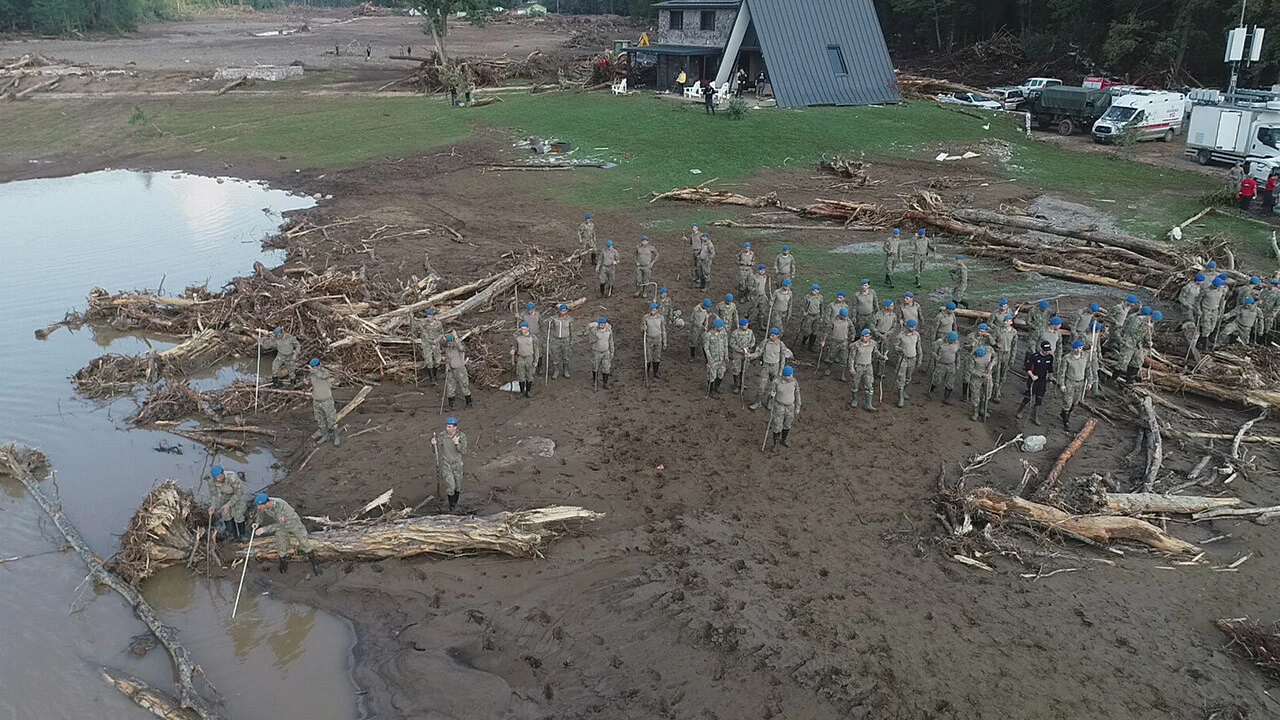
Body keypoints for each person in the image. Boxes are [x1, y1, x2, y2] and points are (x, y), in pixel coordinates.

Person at [252, 493, 320, 576]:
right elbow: (260, 513)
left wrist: (264, 529)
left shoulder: (281, 506)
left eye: (259, 506)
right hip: (281, 525)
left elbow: (280, 524)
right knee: (280, 543)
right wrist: (257, 522)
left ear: (266, 503)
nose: (258, 508)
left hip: (292, 523)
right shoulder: (263, 505)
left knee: (304, 543)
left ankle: (315, 564)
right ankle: (283, 562)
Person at [748, 327, 792, 410]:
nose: (771, 337)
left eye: (773, 335)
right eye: (770, 335)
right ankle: (758, 402)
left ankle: (770, 401)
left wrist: (781, 370)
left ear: (777, 336)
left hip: (775, 367)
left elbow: (783, 358)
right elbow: (759, 352)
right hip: (766, 366)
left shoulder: (781, 345)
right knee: (761, 385)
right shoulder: (765, 342)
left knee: (773, 386)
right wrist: (751, 356)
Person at [431, 417, 468, 510]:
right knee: (451, 486)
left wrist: (456, 443)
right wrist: (433, 444)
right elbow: (435, 450)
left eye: (449, 427)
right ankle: (451, 506)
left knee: (458, 486)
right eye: (447, 426)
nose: (447, 428)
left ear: (455, 427)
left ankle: (455, 503)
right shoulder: (443, 435)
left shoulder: (461, 436)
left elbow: (464, 451)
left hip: (458, 464)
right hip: (447, 464)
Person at [1015, 340, 1055, 426]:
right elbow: (1028, 368)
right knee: (1029, 396)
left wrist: (1050, 380)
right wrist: (1032, 376)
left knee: (1039, 398)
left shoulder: (1050, 357)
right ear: (1041, 349)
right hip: (1033, 379)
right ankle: (1019, 410)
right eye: (1045, 350)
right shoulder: (1034, 356)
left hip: (1043, 380)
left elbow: (1050, 369)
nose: (1046, 352)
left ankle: (1035, 416)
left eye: (1047, 350)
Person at [208, 465, 248, 543]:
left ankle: (242, 535)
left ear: (223, 473)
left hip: (236, 496)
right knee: (226, 515)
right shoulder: (211, 480)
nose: (219, 480)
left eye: (220, 477)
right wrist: (213, 506)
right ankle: (232, 535)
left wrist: (229, 504)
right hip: (224, 496)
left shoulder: (232, 477)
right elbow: (214, 494)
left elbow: (239, 493)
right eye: (217, 478)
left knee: (238, 515)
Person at [305, 358, 339, 446]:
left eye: (315, 367)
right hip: (316, 401)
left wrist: (314, 371)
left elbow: (323, 376)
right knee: (320, 420)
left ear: (319, 365)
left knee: (332, 419)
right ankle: (325, 435)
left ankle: (336, 437)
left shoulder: (325, 372)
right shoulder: (312, 374)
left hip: (327, 400)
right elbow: (310, 384)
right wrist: (306, 382)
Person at [849, 329, 884, 411]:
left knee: (869, 385)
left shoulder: (873, 343)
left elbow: (875, 352)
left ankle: (869, 404)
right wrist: (851, 368)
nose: (864, 338)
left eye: (866, 336)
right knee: (855, 384)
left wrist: (882, 357)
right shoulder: (856, 345)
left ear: (870, 337)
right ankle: (854, 400)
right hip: (858, 366)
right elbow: (851, 358)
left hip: (868, 366)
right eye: (862, 336)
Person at [767, 366, 801, 452]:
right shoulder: (777, 382)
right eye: (788, 376)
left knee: (787, 424)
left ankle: (784, 439)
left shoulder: (794, 382)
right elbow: (771, 391)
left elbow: (797, 394)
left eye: (791, 375)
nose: (790, 378)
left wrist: (798, 406)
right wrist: (772, 394)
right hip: (779, 407)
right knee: (777, 425)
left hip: (790, 407)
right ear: (784, 376)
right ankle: (776, 444)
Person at [1059, 340, 1089, 431]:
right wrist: (1062, 384)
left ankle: (1064, 413)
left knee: (1075, 402)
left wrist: (1090, 382)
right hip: (1070, 381)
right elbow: (1062, 372)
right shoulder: (1067, 358)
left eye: (1080, 348)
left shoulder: (1085, 357)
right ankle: (1066, 422)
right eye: (1076, 348)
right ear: (1073, 349)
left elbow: (1088, 369)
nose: (1078, 350)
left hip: (1080, 382)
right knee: (1067, 402)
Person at [894, 319, 921, 407]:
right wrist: (901, 350)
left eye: (914, 327)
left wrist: (920, 359)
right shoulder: (901, 336)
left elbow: (918, 347)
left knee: (908, 377)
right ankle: (901, 398)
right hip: (903, 359)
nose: (913, 328)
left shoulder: (916, 335)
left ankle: (904, 391)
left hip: (912, 358)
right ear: (907, 326)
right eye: (911, 327)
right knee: (901, 377)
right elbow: (895, 346)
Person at [992, 314, 1018, 403]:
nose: (1006, 323)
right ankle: (995, 393)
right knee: (996, 373)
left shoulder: (1014, 332)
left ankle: (999, 388)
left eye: (1008, 321)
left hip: (1007, 354)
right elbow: (993, 341)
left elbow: (1014, 346)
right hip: (998, 353)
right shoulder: (998, 330)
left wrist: (1013, 357)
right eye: (1005, 321)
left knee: (1003, 373)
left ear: (1011, 322)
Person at [442, 333, 473, 410]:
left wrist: (456, 337)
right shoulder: (448, 350)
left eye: (450, 343)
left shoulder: (459, 349)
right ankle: (451, 405)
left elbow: (462, 348)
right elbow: (447, 360)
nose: (449, 345)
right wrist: (447, 368)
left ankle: (469, 403)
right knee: (450, 388)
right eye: (448, 343)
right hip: (451, 371)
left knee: (464, 386)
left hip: (460, 370)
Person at [929, 331, 961, 403]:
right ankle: (930, 391)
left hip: (951, 365)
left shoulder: (957, 343)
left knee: (950, 382)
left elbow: (958, 355)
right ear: (947, 338)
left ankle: (946, 398)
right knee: (937, 380)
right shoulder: (939, 342)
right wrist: (936, 356)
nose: (952, 342)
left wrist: (958, 365)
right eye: (951, 341)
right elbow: (932, 352)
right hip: (941, 364)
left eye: (953, 341)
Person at [415, 309, 445, 385]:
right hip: (427, 344)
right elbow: (418, 324)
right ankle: (432, 379)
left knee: (437, 361)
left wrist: (437, 340)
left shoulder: (438, 324)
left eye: (430, 317)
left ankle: (435, 374)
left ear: (434, 317)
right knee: (429, 361)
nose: (429, 318)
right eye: (428, 317)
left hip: (435, 343)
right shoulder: (424, 323)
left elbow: (442, 333)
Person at [822, 307, 853, 380]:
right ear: (840, 315)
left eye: (846, 316)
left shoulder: (848, 321)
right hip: (834, 342)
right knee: (831, 357)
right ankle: (829, 369)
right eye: (844, 316)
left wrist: (852, 338)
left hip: (844, 342)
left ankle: (842, 375)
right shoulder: (833, 321)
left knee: (844, 359)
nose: (845, 318)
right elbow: (827, 330)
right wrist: (823, 340)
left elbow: (852, 330)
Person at [510, 322, 539, 399]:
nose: (523, 331)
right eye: (522, 329)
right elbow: (515, 347)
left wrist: (536, 361)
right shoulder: (517, 337)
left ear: (528, 329)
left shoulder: (533, 338)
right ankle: (522, 392)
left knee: (529, 375)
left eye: (524, 329)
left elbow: (536, 350)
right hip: (520, 358)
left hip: (530, 358)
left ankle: (528, 391)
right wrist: (513, 350)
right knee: (520, 375)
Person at [1197, 277, 1228, 348]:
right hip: (1206, 310)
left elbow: (1221, 302)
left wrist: (1220, 312)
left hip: (1215, 310)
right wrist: (1198, 310)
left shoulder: (1221, 290)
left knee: (1212, 327)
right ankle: (1202, 344)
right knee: (1206, 327)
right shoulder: (1206, 291)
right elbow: (1197, 301)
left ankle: (1203, 340)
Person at [871, 299, 898, 379]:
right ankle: (870, 369)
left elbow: (894, 327)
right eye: (891, 306)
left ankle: (880, 372)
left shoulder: (893, 316)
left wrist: (888, 333)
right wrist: (879, 334)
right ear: (886, 307)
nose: (892, 307)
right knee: (873, 352)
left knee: (884, 353)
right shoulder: (878, 315)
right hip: (877, 336)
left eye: (893, 306)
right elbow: (872, 326)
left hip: (886, 337)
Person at [728, 317, 756, 394]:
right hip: (737, 354)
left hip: (746, 354)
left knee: (744, 369)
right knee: (736, 369)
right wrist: (741, 350)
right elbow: (732, 344)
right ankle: (736, 385)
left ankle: (742, 383)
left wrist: (749, 347)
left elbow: (753, 341)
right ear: (740, 326)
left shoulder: (750, 332)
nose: (746, 327)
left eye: (747, 325)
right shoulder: (735, 333)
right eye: (744, 325)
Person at [968, 346, 994, 422]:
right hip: (977, 376)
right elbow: (970, 369)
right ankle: (975, 413)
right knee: (975, 395)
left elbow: (995, 358)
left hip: (988, 374)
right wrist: (981, 374)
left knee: (987, 393)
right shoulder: (972, 356)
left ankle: (982, 410)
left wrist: (991, 365)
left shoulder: (989, 350)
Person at [643, 303, 668, 380]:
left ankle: (655, 372)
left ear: (657, 310)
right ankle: (646, 373)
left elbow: (663, 329)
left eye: (653, 310)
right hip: (649, 338)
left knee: (657, 357)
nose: (652, 312)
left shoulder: (661, 318)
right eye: (651, 310)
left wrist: (664, 341)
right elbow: (642, 327)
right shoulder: (646, 318)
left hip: (658, 338)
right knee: (648, 356)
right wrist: (643, 328)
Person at [704, 318, 729, 395]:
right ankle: (711, 390)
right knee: (711, 375)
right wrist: (709, 358)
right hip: (713, 359)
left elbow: (725, 345)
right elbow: (706, 348)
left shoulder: (723, 333)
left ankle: (716, 387)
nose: (722, 328)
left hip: (721, 359)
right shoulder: (708, 335)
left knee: (721, 374)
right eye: (721, 327)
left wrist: (726, 355)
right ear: (716, 327)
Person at [588, 317, 615, 389]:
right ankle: (594, 381)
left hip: (606, 352)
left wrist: (612, 351)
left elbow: (611, 341)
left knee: (606, 368)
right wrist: (595, 338)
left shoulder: (608, 331)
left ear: (605, 324)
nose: (601, 325)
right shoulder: (594, 331)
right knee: (595, 366)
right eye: (600, 324)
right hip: (596, 352)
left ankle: (605, 383)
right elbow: (590, 341)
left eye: (603, 324)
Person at [548, 304, 573, 379]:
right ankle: (556, 371)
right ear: (559, 311)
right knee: (555, 356)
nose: (563, 312)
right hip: (556, 340)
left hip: (566, 339)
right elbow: (549, 327)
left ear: (566, 311)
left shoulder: (569, 319)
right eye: (561, 311)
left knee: (566, 356)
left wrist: (571, 341)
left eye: (564, 311)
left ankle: (566, 371)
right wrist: (549, 322)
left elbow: (572, 331)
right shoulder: (554, 319)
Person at [799, 284, 824, 352]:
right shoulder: (807, 297)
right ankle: (803, 342)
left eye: (816, 291)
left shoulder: (820, 298)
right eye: (813, 290)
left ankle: (811, 346)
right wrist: (804, 312)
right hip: (809, 315)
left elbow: (821, 307)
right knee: (807, 331)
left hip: (816, 315)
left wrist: (821, 316)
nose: (814, 292)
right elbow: (803, 306)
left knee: (815, 331)